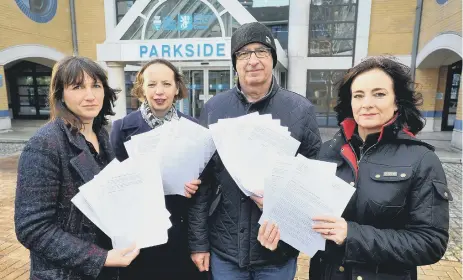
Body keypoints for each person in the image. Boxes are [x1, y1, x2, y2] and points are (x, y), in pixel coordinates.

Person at [188, 22, 321, 280]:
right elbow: (201, 182)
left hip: (277, 250)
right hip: (225, 250)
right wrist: (198, 243)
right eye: (243, 53)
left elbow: (312, 180)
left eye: (261, 51)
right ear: (235, 63)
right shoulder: (214, 109)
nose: (253, 60)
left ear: (272, 58)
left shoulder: (300, 110)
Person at [306, 56, 450, 280]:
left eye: (379, 94)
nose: (367, 103)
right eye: (358, 95)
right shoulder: (327, 152)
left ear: (396, 102)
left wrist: (352, 235)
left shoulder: (422, 159)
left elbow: (430, 242)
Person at [15, 56, 140, 280]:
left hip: (108, 265)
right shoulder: (46, 143)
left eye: (96, 86)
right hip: (67, 272)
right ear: (60, 94)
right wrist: (100, 258)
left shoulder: (102, 134)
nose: (90, 95)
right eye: (78, 87)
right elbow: (32, 228)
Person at [110, 58, 207, 280]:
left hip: (180, 233)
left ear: (177, 88)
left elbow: (204, 187)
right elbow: (114, 185)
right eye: (151, 84)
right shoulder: (122, 129)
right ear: (141, 89)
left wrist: (195, 185)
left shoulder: (193, 129)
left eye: (166, 84)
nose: (159, 91)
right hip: (140, 236)